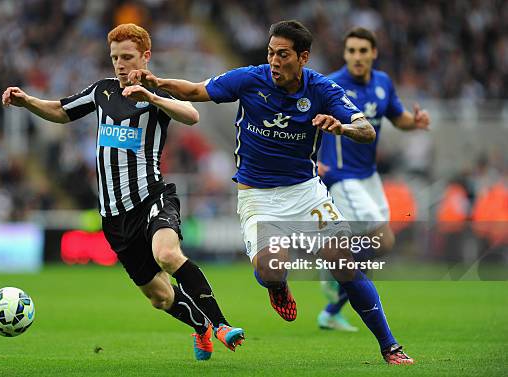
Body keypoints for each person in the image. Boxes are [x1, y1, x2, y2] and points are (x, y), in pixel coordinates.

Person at [127, 20, 413, 364]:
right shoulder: (251, 78)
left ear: (303, 57)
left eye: (283, 55)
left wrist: (344, 128)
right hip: (258, 197)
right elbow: (194, 91)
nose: (274, 61)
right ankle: (277, 287)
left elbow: (366, 129)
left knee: (343, 262)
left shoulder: (322, 89)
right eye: (271, 53)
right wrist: (157, 85)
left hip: (307, 194)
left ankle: (390, 346)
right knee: (270, 271)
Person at [1, 23, 244, 361]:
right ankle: (200, 326)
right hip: (115, 217)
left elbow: (192, 115)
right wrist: (27, 101)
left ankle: (220, 325)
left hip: (152, 197)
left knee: (168, 255)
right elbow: (60, 110)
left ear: (145, 57)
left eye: (127, 57)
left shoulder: (156, 90)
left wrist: (152, 95)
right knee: (159, 297)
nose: (120, 63)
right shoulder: (102, 91)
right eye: (115, 57)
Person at [317, 27, 430, 332]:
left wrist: (414, 123)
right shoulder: (331, 85)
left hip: (369, 176)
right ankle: (333, 268)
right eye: (351, 50)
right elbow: (308, 122)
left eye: (363, 51)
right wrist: (314, 160)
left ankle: (331, 304)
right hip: (342, 176)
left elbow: (398, 117)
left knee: (381, 244)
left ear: (373, 53)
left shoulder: (382, 83)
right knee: (381, 238)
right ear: (345, 54)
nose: (357, 56)